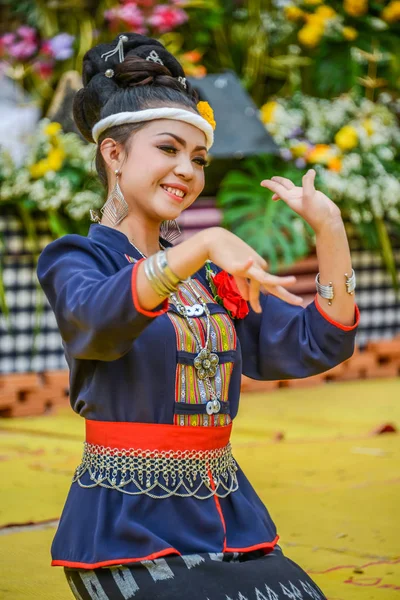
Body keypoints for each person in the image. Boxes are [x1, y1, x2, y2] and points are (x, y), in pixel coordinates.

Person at [37, 32, 360, 600]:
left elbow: (314, 344)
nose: (187, 169)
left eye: (198, 157)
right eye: (168, 149)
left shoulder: (210, 273)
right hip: (127, 527)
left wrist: (330, 232)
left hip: (231, 518)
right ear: (113, 154)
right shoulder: (77, 259)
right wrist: (202, 243)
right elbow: (98, 321)